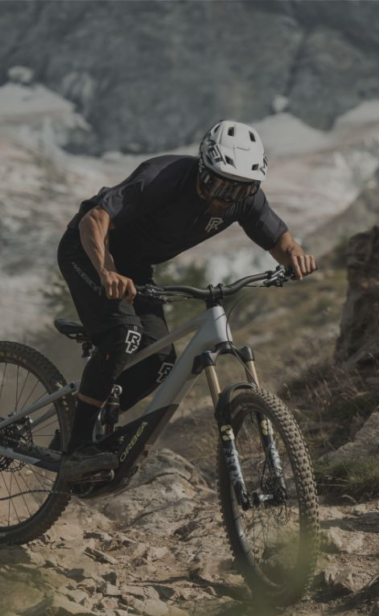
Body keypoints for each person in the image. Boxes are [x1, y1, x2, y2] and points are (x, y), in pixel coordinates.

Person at [56, 120, 317, 478]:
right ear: (203, 169)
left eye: (240, 189)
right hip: (89, 252)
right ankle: (77, 446)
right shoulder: (162, 177)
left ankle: (87, 419)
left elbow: (279, 239)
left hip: (136, 268)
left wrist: (296, 256)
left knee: (160, 363)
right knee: (124, 334)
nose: (227, 197)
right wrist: (106, 272)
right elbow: (95, 219)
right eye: (220, 185)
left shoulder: (245, 199)